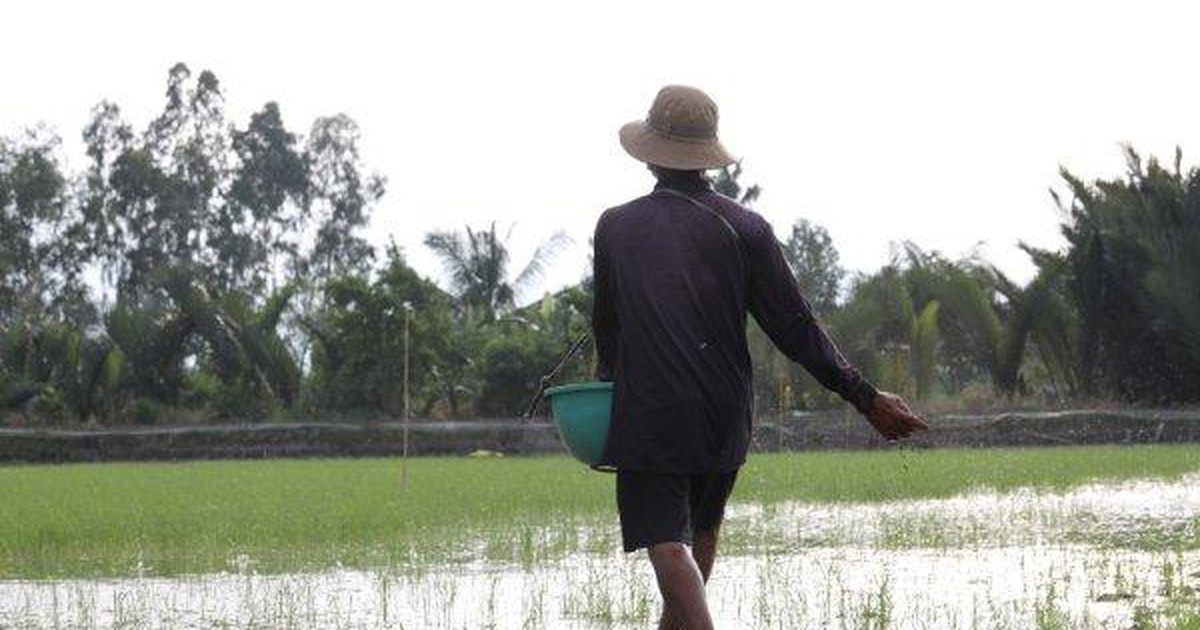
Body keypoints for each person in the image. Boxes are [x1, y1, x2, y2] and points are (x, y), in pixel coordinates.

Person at [590, 85, 928, 630]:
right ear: (707, 158)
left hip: (652, 411)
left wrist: (606, 389)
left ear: (651, 152)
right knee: (698, 537)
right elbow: (796, 329)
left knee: (667, 547)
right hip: (724, 414)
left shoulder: (616, 226)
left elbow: (607, 325)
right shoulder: (746, 228)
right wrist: (865, 397)